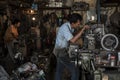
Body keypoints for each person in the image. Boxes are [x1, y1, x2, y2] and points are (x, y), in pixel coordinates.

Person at [54, 13, 89, 80]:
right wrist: (82, 30)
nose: (79, 25)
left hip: (61, 50)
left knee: (59, 70)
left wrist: (82, 30)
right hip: (61, 52)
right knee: (75, 70)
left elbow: (73, 36)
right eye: (78, 24)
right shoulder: (65, 28)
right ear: (72, 23)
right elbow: (72, 40)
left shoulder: (70, 27)